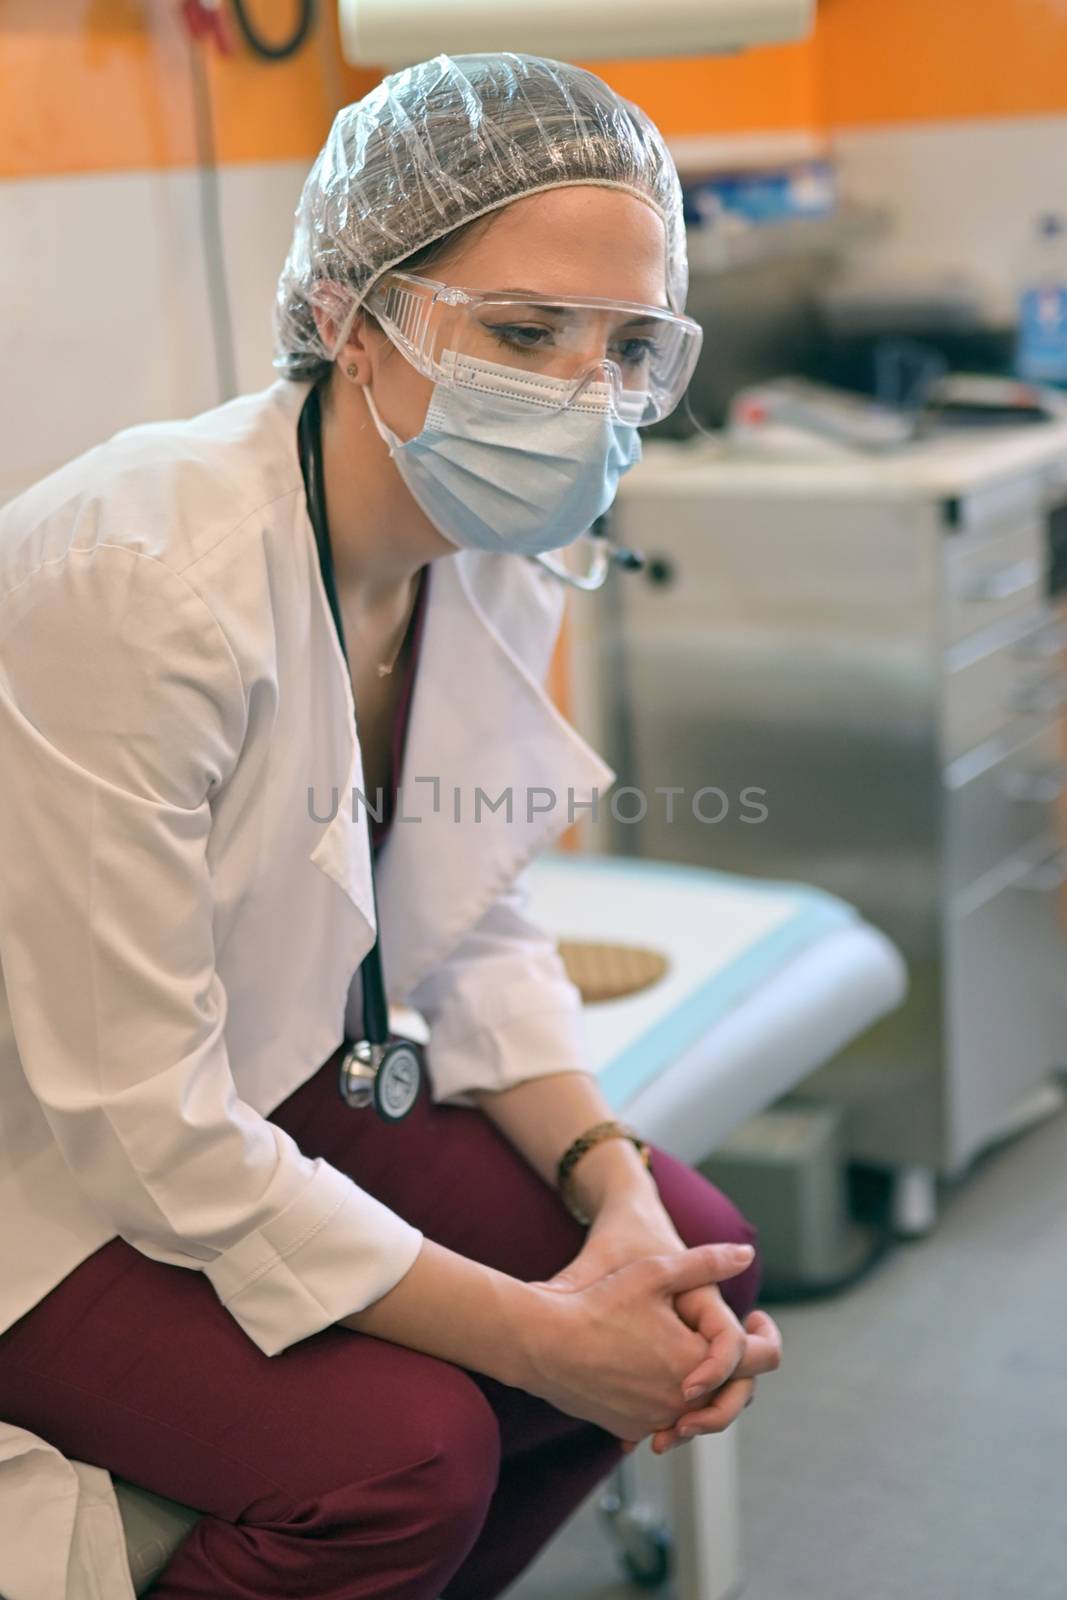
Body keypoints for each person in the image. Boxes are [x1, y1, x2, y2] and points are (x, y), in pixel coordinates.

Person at [0, 51, 781, 1600]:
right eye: (522, 333)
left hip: (271, 1078)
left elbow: (467, 910)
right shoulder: (135, 576)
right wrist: (548, 1340)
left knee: (695, 1279)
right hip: (54, 1169)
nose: (584, 397)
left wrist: (609, 1184)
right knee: (412, 1454)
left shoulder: (480, 532)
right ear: (355, 315)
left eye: (630, 348)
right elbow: (133, 1115)